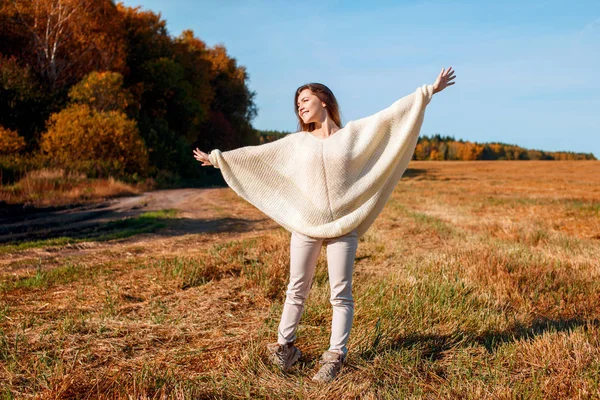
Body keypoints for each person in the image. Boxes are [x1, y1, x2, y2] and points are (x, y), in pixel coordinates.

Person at [193, 67, 456, 383]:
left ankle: (334, 357)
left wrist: (428, 91)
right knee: (296, 288)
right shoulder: (297, 142)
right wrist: (218, 159)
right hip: (305, 224)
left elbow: (390, 118)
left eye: (305, 99)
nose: (300, 106)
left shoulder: (352, 134)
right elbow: (257, 156)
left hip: (344, 224)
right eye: (298, 104)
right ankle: (284, 348)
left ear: (324, 100)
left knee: (340, 294)